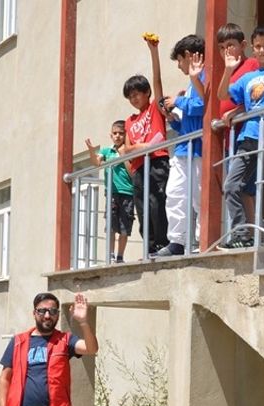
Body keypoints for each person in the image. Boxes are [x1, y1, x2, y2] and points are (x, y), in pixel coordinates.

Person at [218, 26, 264, 248]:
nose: (261, 50)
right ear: (252, 48)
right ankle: (242, 233)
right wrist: (228, 69)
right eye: (258, 46)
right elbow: (223, 94)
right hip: (248, 137)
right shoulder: (249, 77)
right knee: (231, 184)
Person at [147, 33, 207, 257]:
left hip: (200, 148)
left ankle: (203, 240)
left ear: (189, 56)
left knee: (199, 197)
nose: (180, 66)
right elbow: (191, 119)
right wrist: (175, 118)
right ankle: (177, 242)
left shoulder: (204, 76)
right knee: (175, 194)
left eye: (180, 60)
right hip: (184, 147)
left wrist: (178, 101)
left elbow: (204, 104)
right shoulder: (191, 83)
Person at [122, 72, 170, 255]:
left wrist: (154, 53)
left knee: (157, 202)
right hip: (139, 166)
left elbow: (158, 83)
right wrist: (144, 146)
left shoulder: (154, 110)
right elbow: (127, 149)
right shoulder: (129, 121)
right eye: (130, 96)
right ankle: (149, 246)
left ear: (147, 92)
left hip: (157, 160)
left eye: (136, 94)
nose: (133, 99)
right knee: (142, 207)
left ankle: (162, 243)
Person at [85, 122, 136, 263]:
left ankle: (120, 256)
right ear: (111, 135)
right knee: (111, 225)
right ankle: (110, 254)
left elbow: (132, 172)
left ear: (125, 135)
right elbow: (97, 163)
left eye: (121, 133)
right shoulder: (107, 151)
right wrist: (91, 151)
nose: (118, 136)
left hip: (127, 192)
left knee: (125, 227)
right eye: (115, 133)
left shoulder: (129, 150)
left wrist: (123, 155)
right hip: (112, 192)